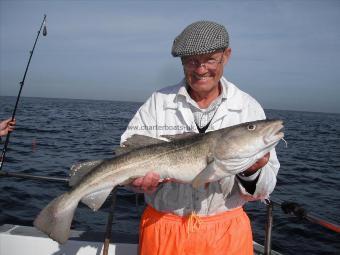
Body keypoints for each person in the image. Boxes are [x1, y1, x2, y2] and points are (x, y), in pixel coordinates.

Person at [120, 21, 280, 255]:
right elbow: (127, 154)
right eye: (192, 61)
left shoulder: (247, 108)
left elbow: (264, 190)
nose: (201, 69)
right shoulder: (158, 102)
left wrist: (250, 172)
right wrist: (133, 182)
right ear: (182, 62)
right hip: (163, 231)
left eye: (210, 60)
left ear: (227, 56)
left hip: (226, 235)